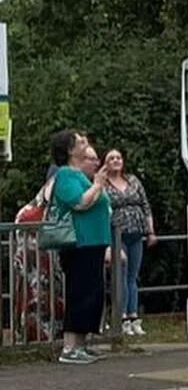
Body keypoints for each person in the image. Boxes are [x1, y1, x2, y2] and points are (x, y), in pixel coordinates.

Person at [48, 130, 111, 363]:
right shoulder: (65, 175)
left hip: (93, 241)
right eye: (80, 142)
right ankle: (69, 348)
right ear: (70, 150)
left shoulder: (78, 174)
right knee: (79, 293)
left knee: (91, 294)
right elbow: (80, 203)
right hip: (79, 243)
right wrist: (97, 185)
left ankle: (81, 345)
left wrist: (97, 184)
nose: (85, 144)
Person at [99, 148, 157, 337]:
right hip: (117, 234)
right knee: (120, 276)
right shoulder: (103, 184)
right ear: (105, 162)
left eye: (118, 157)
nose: (116, 160)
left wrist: (151, 231)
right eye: (111, 158)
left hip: (136, 233)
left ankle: (134, 316)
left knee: (133, 276)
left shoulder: (133, 180)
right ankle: (121, 316)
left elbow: (145, 205)